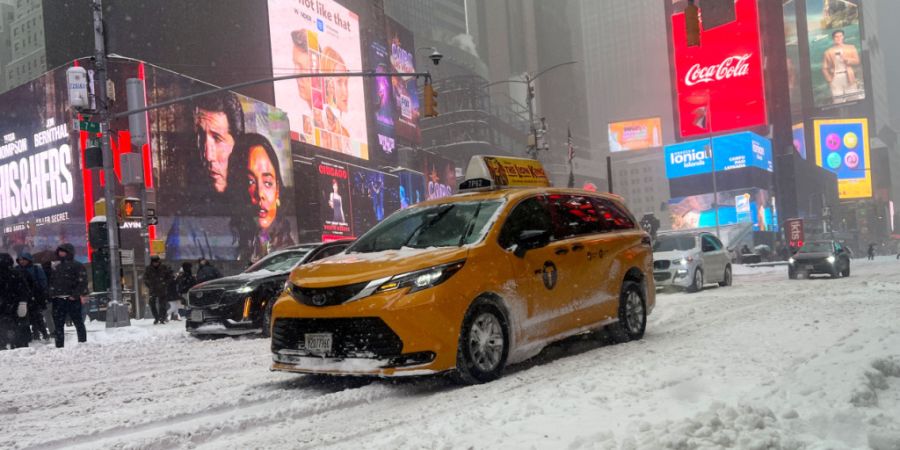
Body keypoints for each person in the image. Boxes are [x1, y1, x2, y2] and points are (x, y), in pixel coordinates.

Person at [226, 133, 296, 262]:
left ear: (278, 190)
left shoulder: (292, 252)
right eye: (250, 182)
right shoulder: (227, 242)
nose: (260, 193)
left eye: (268, 183)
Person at [47, 244, 88, 348]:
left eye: (63, 251)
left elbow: (82, 282)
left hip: (71, 299)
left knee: (78, 322)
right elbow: (52, 282)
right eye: (60, 251)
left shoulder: (77, 265)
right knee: (58, 325)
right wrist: (52, 294)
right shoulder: (56, 267)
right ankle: (59, 345)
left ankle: (82, 343)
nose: (61, 253)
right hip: (58, 299)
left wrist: (75, 295)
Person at [822, 30, 863, 104]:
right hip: (835, 78)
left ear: (843, 37)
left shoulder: (851, 47)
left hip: (849, 76)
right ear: (833, 38)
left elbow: (857, 61)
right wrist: (829, 80)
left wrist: (847, 60)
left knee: (853, 99)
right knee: (837, 101)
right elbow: (824, 68)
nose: (839, 38)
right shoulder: (828, 51)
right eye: (836, 37)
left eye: (840, 36)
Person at [0, 253, 31, 350]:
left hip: (5, 305)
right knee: (18, 326)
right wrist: (23, 302)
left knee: (4, 326)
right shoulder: (16, 273)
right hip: (15, 304)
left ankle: (3, 344)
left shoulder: (16, 273)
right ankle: (19, 345)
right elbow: (24, 290)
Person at [16, 252, 49, 341]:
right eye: (20, 260)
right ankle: (31, 335)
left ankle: (42, 334)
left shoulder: (36, 269)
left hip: (35, 297)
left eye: (24, 259)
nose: (22, 261)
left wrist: (40, 292)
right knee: (24, 317)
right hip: (22, 297)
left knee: (37, 316)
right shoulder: (16, 269)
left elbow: (43, 282)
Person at [143, 256, 173, 325]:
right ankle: (156, 317)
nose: (155, 264)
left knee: (162, 305)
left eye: (157, 262)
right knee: (152, 303)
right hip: (153, 289)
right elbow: (145, 278)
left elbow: (169, 277)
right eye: (154, 262)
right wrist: (149, 285)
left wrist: (165, 283)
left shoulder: (163, 267)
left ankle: (162, 318)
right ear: (152, 262)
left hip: (162, 289)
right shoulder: (148, 269)